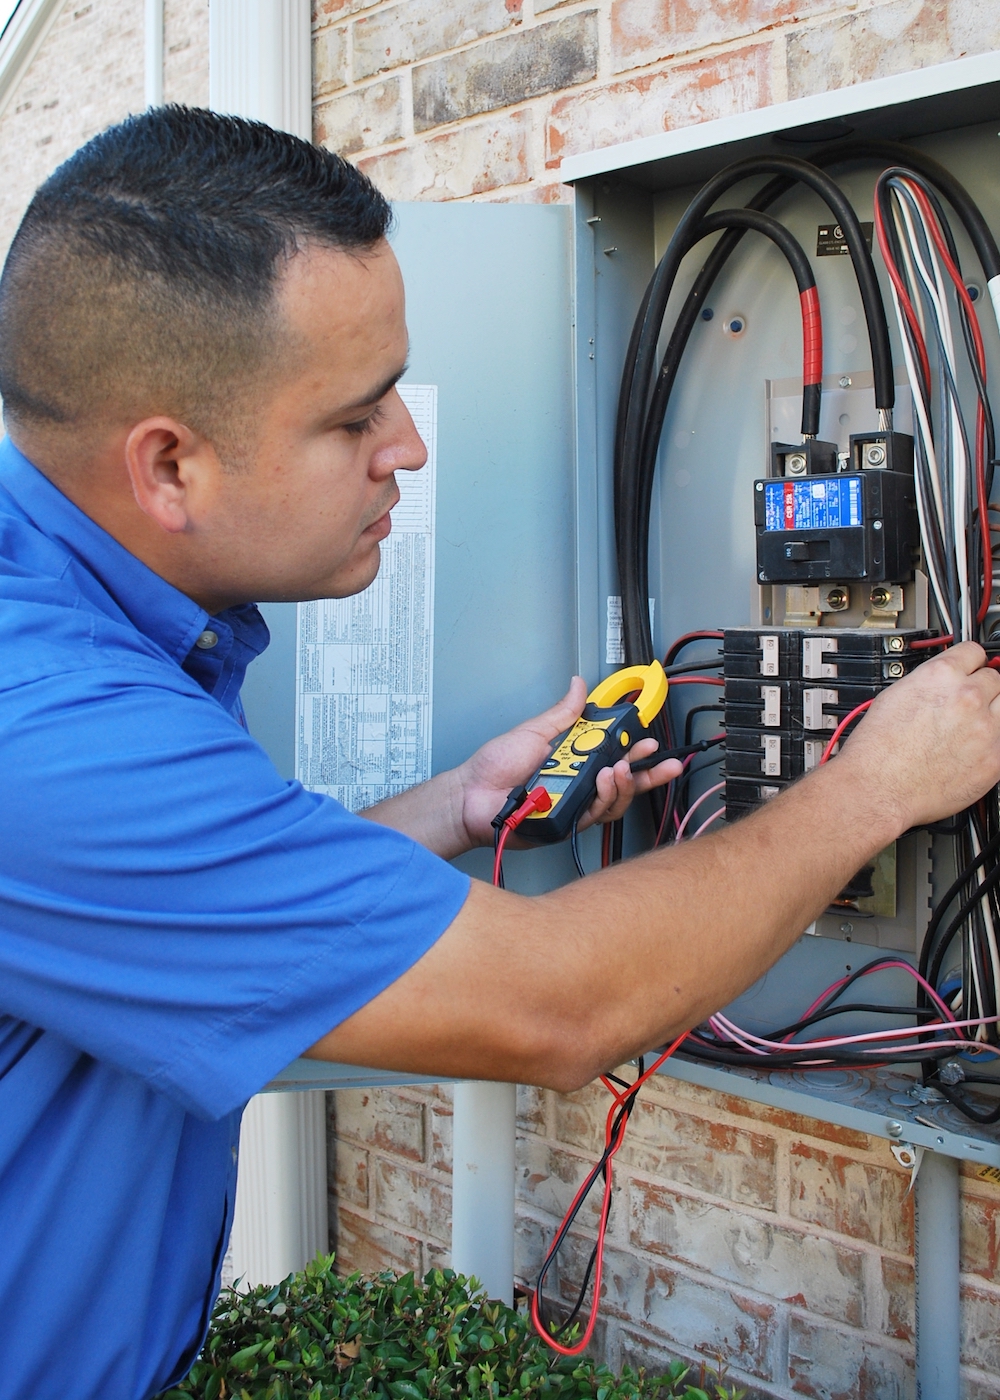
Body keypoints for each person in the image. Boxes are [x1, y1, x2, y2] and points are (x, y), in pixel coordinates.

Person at [0, 106, 998, 1400]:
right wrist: (876, 785)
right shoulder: (54, 730)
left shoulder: (83, 620)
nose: (407, 450)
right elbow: (556, 1005)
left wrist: (458, 809)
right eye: (358, 419)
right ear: (170, 465)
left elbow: (190, 917)